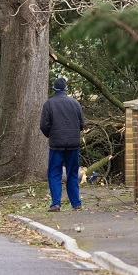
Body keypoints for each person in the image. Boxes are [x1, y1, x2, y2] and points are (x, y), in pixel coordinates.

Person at [39, 76, 84, 212]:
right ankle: (76, 203)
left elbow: (43, 125)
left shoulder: (49, 104)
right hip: (73, 144)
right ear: (65, 89)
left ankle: (56, 203)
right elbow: (81, 124)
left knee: (54, 173)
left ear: (54, 89)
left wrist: (51, 135)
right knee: (73, 174)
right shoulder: (75, 104)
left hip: (56, 145)